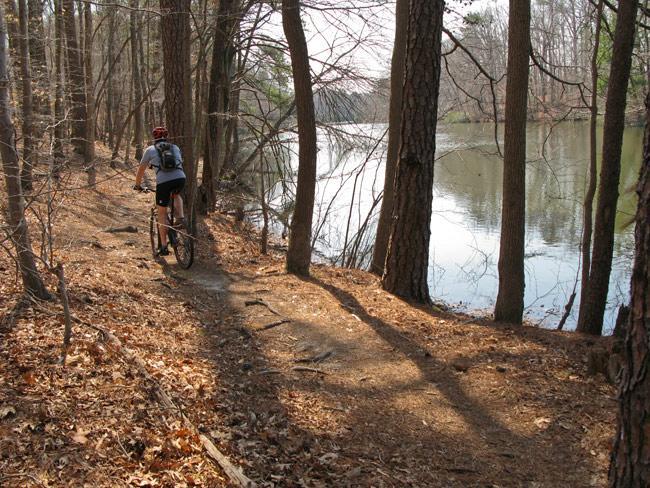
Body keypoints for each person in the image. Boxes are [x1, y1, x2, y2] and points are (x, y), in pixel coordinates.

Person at [134, 126, 186, 256]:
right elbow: (178, 161)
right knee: (176, 195)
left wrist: (137, 185)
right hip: (180, 178)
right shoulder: (175, 148)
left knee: (161, 213)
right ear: (166, 137)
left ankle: (163, 247)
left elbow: (141, 169)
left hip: (163, 182)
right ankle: (180, 218)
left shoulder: (150, 150)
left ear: (154, 138)